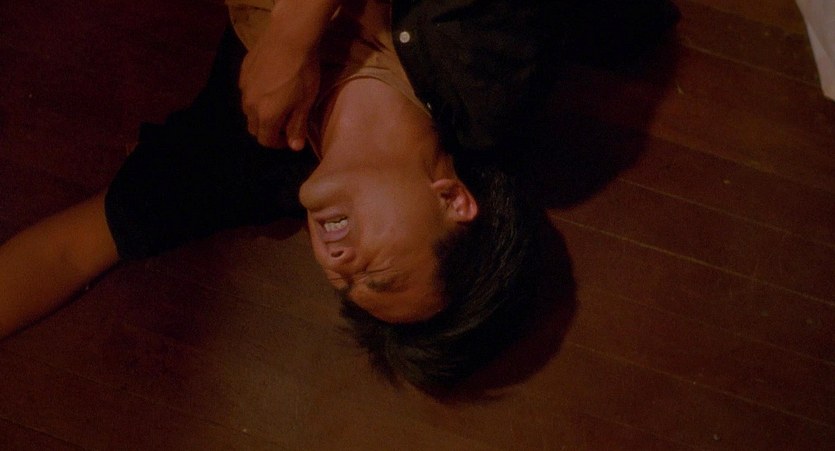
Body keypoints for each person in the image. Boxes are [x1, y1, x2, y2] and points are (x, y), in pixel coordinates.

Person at [0, 0, 678, 389]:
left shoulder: (252, 163)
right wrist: (293, 34)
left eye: (345, 286)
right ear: (452, 200)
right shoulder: (486, 75)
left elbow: (71, 250)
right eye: (379, 273)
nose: (339, 267)